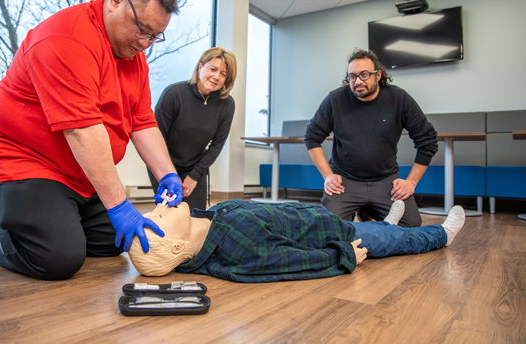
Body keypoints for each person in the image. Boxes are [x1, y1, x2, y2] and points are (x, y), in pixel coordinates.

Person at [0, 0, 185, 281]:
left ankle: (48, 217)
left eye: (154, 36)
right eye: (142, 29)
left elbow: (142, 121)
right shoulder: (67, 37)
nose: (145, 43)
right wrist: (119, 206)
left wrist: (167, 174)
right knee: (58, 258)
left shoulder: (134, 57)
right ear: (116, 1)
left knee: (114, 242)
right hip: (21, 160)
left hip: (75, 171)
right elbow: (81, 130)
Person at [128, 200, 465, 283]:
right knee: (396, 239)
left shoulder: (210, 217)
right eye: (158, 217)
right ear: (176, 246)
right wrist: (340, 257)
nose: (159, 206)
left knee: (383, 230)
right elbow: (290, 262)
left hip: (319, 221)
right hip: (337, 238)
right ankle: (440, 234)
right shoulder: (239, 250)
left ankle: (387, 223)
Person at [304, 49, 438, 227]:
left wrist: (411, 182)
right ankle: (367, 213)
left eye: (364, 75)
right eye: (352, 76)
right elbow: (312, 137)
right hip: (345, 182)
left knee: (411, 225)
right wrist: (328, 176)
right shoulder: (335, 99)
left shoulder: (398, 98)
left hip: (384, 181)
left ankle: (366, 211)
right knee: (329, 229)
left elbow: (428, 141)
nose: (358, 81)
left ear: (378, 75)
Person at [147, 47, 237, 211]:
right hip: (163, 162)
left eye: (223, 74)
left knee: (196, 216)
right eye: (213, 69)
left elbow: (216, 145)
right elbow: (157, 138)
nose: (216, 77)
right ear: (200, 67)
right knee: (171, 213)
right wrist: (170, 174)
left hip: (194, 167)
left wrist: (194, 176)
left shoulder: (227, 104)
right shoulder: (174, 94)